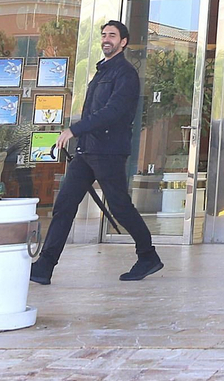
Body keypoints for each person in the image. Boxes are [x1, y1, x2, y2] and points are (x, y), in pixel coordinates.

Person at [29, 20, 163, 284]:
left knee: (120, 207)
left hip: (109, 151)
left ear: (123, 42)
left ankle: (147, 256)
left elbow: (113, 112)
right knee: (64, 206)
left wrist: (75, 130)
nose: (106, 39)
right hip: (87, 151)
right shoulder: (101, 72)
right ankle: (44, 267)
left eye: (112, 35)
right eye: (104, 35)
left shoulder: (125, 74)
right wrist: (79, 135)